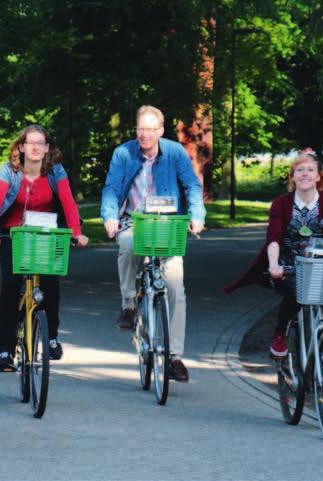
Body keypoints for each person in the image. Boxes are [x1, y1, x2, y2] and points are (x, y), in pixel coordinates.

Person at [100, 105, 205, 382]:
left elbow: (192, 186)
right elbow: (111, 188)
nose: (144, 135)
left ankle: (175, 357)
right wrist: (110, 217)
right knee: (127, 244)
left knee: (174, 287)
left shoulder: (174, 152)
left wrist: (196, 216)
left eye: (150, 129)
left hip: (167, 225)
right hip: (135, 221)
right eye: (140, 129)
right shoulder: (124, 153)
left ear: (160, 130)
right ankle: (128, 305)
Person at [224, 149, 323, 357]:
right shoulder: (282, 203)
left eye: (310, 169)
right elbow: (273, 238)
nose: (305, 174)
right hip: (288, 265)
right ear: (293, 175)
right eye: (300, 170)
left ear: (318, 176)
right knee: (297, 292)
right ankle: (280, 333)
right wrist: (273, 265)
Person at [0, 124, 88, 372]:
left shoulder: (56, 171)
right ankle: (5, 349)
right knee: (10, 284)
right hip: (13, 232)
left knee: (50, 280)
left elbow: (68, 202)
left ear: (47, 148)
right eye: (30, 142)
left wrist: (76, 232)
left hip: (46, 233)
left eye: (40, 143)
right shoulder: (9, 170)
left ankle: (51, 337)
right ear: (21, 146)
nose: (35, 147)